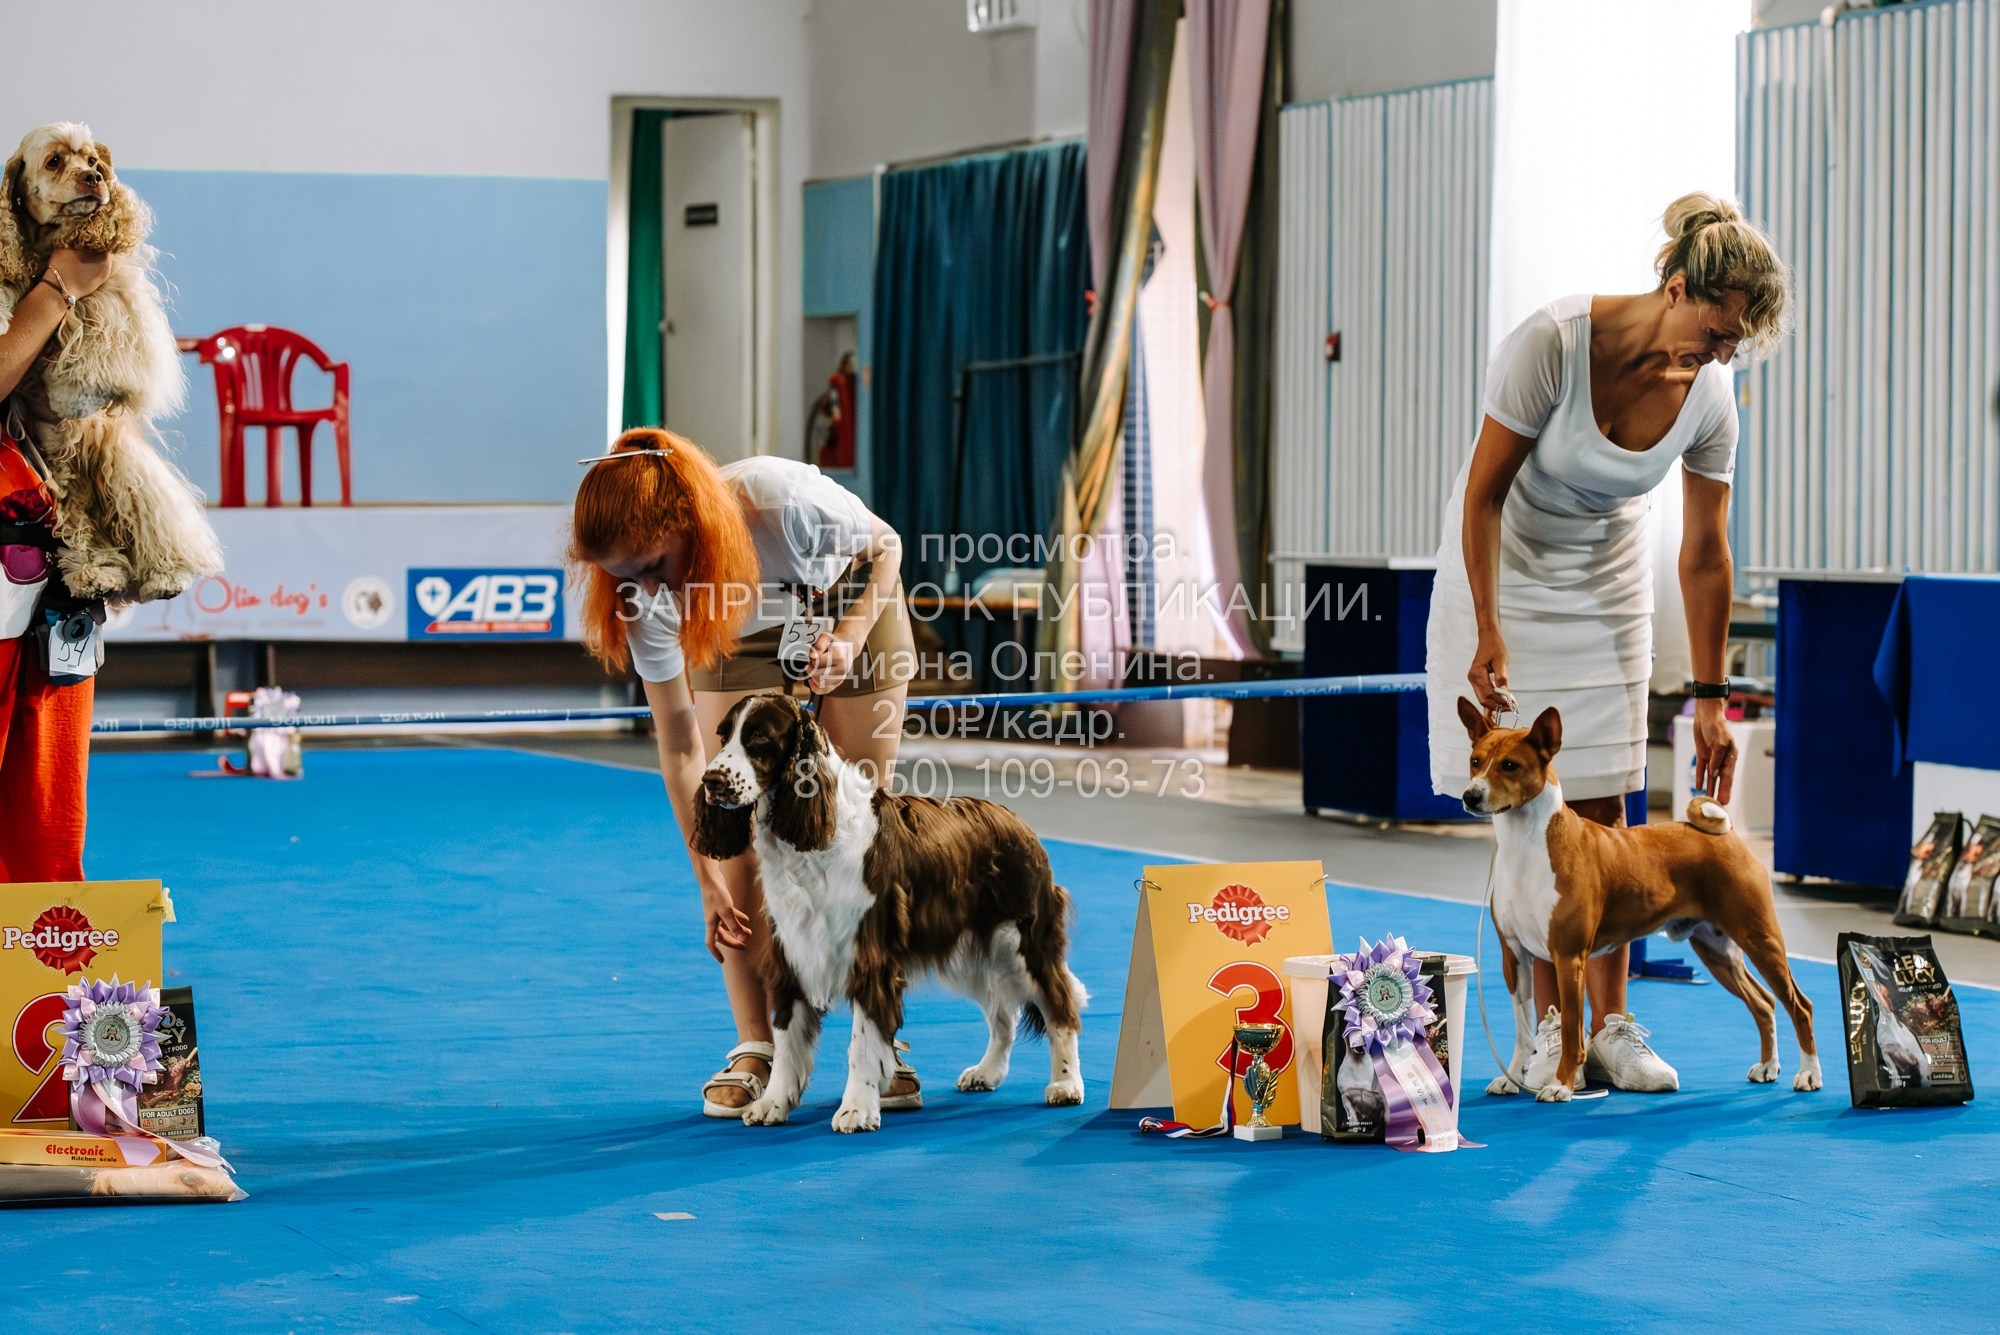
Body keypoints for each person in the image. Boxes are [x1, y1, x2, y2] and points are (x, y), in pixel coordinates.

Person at [1426, 193, 1791, 1093]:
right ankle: (1551, 1031)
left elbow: (1705, 554)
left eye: (1736, 343)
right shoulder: (1550, 344)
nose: (1722, 354)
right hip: (1502, 566)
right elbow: (1482, 494)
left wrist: (1712, 698)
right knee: (1524, 814)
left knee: (1607, 805)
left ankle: (1610, 1028)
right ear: (1675, 287)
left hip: (1606, 580)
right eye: (1719, 331)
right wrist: (1487, 625)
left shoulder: (1711, 398)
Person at [570, 427, 918, 1116]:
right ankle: (757, 1044)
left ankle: (876, 1039)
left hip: (849, 604)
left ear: (686, 524)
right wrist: (704, 879)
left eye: (651, 564)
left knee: (857, 835)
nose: (640, 588)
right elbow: (679, 747)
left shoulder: (778, 500)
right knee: (738, 844)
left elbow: (888, 545)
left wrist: (847, 640)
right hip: (730, 627)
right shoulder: (645, 594)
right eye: (622, 576)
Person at [0, 245, 111, 881]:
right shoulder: (51, 282)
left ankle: (44, 952)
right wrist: (57, 288)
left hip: (52, 552)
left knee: (48, 788)